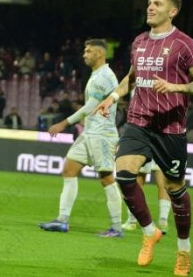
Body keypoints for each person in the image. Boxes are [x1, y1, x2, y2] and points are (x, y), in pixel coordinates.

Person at [95, 0, 193, 276]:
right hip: (139, 121)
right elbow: (132, 77)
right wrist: (112, 96)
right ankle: (149, 231)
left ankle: (184, 251)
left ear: (172, 11)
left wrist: (176, 87)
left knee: (175, 189)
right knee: (123, 173)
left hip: (170, 128)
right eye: (149, 2)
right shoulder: (139, 42)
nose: (150, 7)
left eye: (157, 4)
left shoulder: (185, 44)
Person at [38, 39, 123, 237]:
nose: (84, 54)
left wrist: (63, 123)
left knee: (106, 178)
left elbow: (88, 107)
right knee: (69, 170)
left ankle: (117, 227)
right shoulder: (96, 74)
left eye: (88, 51)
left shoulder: (104, 77)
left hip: (102, 134)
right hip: (90, 132)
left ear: (100, 54)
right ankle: (62, 220)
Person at [122, 162, 171, 234]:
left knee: (139, 178)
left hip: (146, 151)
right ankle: (163, 222)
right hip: (162, 150)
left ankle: (132, 221)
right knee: (162, 181)